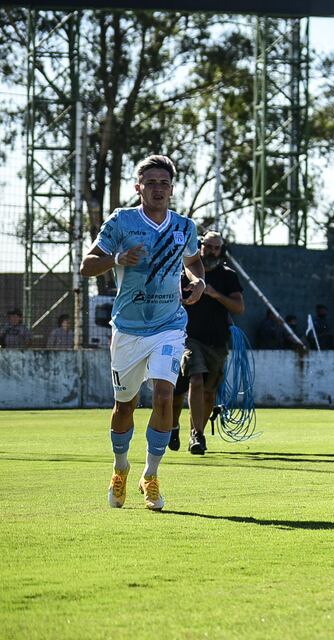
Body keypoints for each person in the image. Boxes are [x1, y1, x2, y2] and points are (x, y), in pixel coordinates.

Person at [79, 154, 205, 511]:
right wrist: (118, 259)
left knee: (164, 396)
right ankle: (120, 467)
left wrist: (198, 281)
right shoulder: (122, 221)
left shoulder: (184, 226)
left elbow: (193, 261)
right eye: (151, 183)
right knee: (125, 406)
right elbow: (87, 265)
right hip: (128, 328)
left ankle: (150, 475)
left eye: (164, 183)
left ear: (172, 189)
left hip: (169, 325)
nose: (158, 189)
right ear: (139, 188)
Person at [169, 231, 244, 455]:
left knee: (209, 393)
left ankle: (192, 431)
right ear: (200, 246)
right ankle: (191, 433)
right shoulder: (184, 274)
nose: (212, 251)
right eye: (208, 246)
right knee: (193, 380)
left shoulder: (228, 276)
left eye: (216, 248)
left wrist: (214, 293)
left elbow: (239, 307)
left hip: (217, 342)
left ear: (221, 251)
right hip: (187, 339)